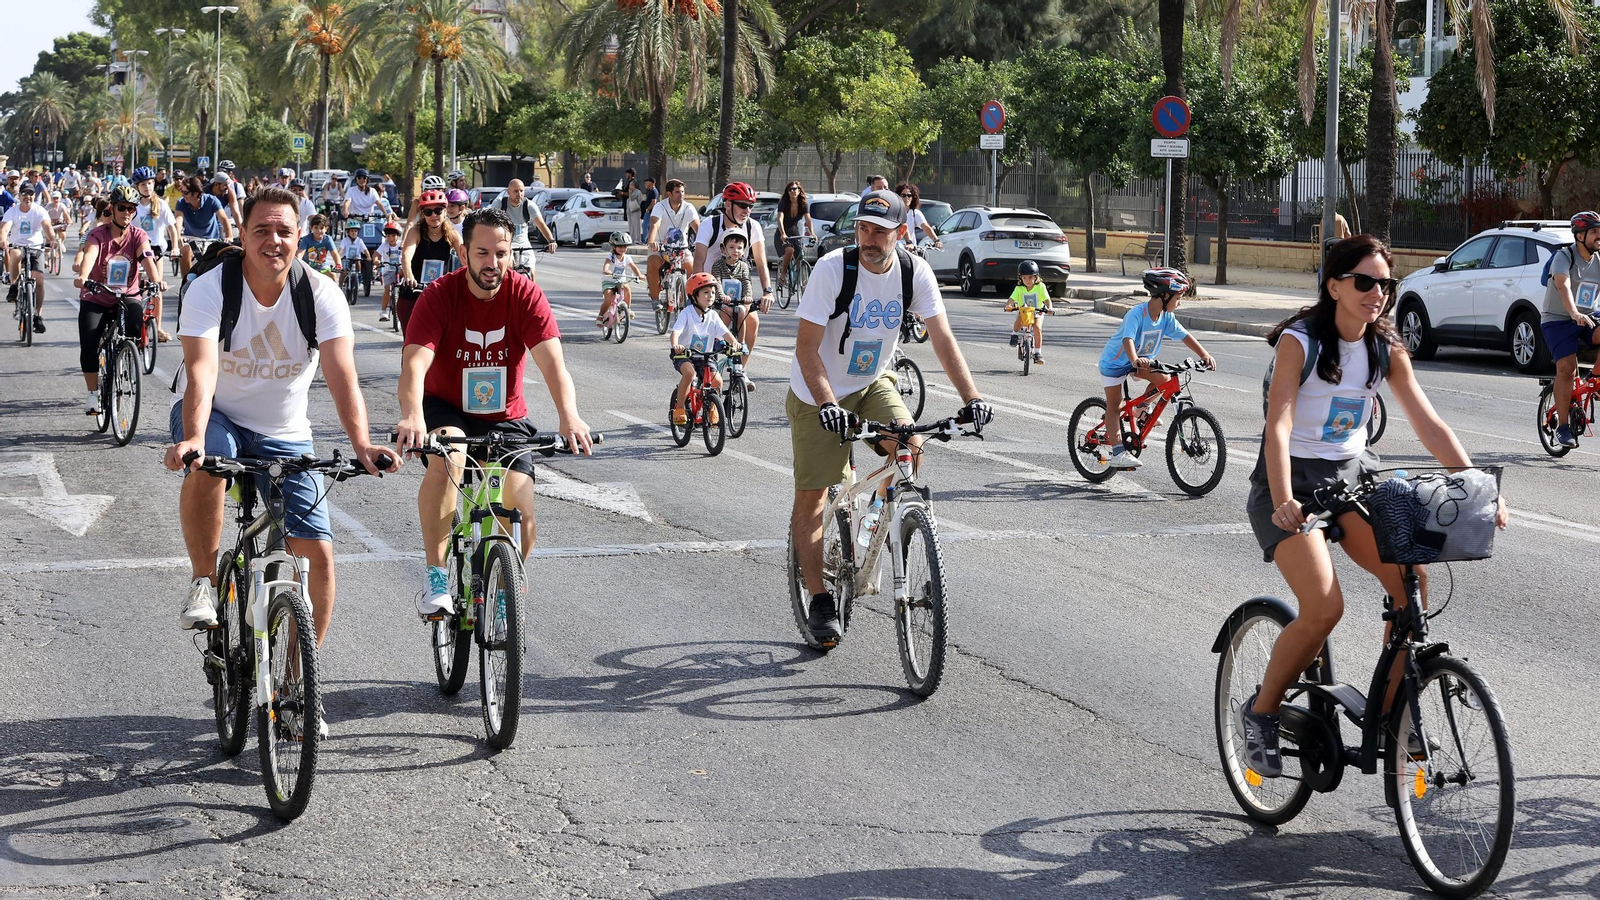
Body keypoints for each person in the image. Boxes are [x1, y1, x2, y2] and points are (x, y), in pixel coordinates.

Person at [1238, 234, 1508, 779]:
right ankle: (1261, 714)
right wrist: (1286, 498)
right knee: (1323, 608)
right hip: (1290, 481)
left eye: (1385, 283)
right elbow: (1280, 424)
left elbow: (1428, 421)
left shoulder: (1385, 346)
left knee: (1412, 582)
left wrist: (1478, 484)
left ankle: (1390, 716)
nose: (1377, 292)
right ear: (1335, 285)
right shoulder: (1300, 341)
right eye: (1364, 282)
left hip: (1353, 477)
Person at [165, 185, 394, 661]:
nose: (274, 240)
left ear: (298, 238)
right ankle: (204, 581)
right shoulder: (211, 288)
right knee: (210, 459)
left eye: (284, 231)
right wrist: (191, 437)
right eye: (262, 230)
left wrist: (363, 445)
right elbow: (201, 371)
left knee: (320, 557)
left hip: (286, 434)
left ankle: (296, 681)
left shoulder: (320, 293)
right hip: (218, 415)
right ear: (243, 236)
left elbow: (342, 375)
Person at [789, 190, 992, 641]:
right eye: (863, 228)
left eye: (880, 231)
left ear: (902, 233)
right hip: (817, 392)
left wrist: (972, 398)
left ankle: (874, 517)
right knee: (814, 497)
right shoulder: (832, 270)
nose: (869, 239)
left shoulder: (912, 272)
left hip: (872, 383)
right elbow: (806, 349)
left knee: (910, 446)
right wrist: (827, 406)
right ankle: (820, 599)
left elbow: (942, 339)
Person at [394, 206, 593, 616]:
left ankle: (506, 586)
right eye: (482, 253)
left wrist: (569, 415)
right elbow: (414, 363)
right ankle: (435, 576)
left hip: (505, 414)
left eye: (501, 253)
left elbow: (554, 365)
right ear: (463, 253)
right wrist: (413, 415)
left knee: (521, 507)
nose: (493, 263)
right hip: (445, 405)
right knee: (451, 452)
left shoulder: (525, 294)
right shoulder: (438, 296)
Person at [1095, 268, 1217, 469]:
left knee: (1165, 379)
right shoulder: (1137, 314)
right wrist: (1134, 359)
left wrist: (1204, 355)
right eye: (1178, 298)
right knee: (1115, 406)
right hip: (1115, 364)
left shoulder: (1165, 317)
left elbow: (1185, 335)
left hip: (1141, 362)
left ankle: (1142, 408)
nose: (1179, 302)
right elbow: (1128, 339)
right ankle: (1117, 452)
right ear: (1164, 295)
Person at [73, 184, 168, 413]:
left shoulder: (138, 235)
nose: (127, 213)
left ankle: (125, 359)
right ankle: (93, 395)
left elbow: (147, 257)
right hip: (96, 295)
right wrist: (84, 276)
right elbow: (90, 255)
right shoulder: (98, 235)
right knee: (89, 344)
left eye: (131, 209)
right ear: (113, 209)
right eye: (122, 208)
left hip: (127, 295)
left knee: (135, 330)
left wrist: (156, 280)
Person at [1541, 211, 1600, 448]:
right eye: (1594, 232)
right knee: (1566, 369)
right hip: (1557, 320)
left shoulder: (1598, 261)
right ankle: (1562, 427)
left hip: (1588, 318)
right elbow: (1563, 286)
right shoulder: (1564, 257)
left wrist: (1583, 316)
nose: (1599, 237)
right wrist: (1574, 313)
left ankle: (1595, 377)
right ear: (1580, 235)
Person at [670, 272, 742, 426]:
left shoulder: (713, 316)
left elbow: (725, 333)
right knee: (690, 373)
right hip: (684, 354)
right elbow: (676, 332)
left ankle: (712, 408)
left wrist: (735, 343)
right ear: (694, 296)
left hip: (705, 356)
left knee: (717, 382)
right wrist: (676, 345)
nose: (711, 296)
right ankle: (680, 407)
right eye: (706, 293)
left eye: (713, 293)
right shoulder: (687, 313)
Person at [397, 189, 464, 332]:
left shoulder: (452, 234)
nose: (434, 215)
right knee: (411, 344)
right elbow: (406, 255)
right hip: (413, 294)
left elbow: (466, 259)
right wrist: (409, 276)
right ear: (423, 215)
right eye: (428, 212)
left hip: (441, 295)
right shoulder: (416, 231)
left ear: (445, 211)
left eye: (438, 211)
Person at [2, 184, 60, 333]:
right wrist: (3, 239)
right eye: (24, 193)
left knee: (39, 280)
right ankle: (14, 286)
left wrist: (52, 238)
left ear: (34, 196)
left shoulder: (39, 210)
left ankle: (38, 316)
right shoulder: (12, 211)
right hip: (18, 245)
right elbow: (5, 228)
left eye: (31, 194)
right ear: (19, 196)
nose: (27, 196)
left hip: (36, 248)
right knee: (15, 254)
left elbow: (47, 226)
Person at [132, 167, 179, 341]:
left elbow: (172, 228)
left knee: (156, 287)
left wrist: (175, 247)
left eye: (150, 183)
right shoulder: (132, 205)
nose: (147, 187)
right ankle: (132, 322)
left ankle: (158, 328)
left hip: (156, 250)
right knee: (133, 289)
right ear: (137, 186)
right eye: (143, 184)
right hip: (136, 250)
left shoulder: (160, 204)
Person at [645, 178, 700, 305]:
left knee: (691, 267)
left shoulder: (688, 207)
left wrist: (704, 242)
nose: (681, 195)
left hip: (681, 248)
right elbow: (654, 224)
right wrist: (652, 241)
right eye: (677, 192)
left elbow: (697, 227)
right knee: (653, 262)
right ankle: (655, 299)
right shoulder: (660, 206)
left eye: (682, 192)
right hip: (660, 246)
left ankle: (685, 301)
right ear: (669, 194)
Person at [710, 231, 758, 376]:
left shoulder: (743, 266)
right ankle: (720, 338)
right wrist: (721, 295)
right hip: (723, 302)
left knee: (742, 311)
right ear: (723, 249)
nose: (735, 251)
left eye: (739, 248)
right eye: (731, 247)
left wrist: (748, 296)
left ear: (743, 250)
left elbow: (746, 282)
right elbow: (716, 281)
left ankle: (740, 343)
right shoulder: (718, 265)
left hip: (738, 301)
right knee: (727, 311)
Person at [492, 179, 558, 274]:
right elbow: (489, 225)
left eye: (521, 191)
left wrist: (551, 241)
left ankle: (531, 288)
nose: (519, 194)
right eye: (515, 191)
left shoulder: (529, 205)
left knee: (531, 271)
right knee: (508, 268)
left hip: (523, 244)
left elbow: (541, 225)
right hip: (505, 244)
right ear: (508, 192)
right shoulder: (499, 204)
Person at [175, 176, 233, 280]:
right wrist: (178, 236)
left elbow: (224, 219)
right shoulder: (181, 203)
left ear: (196, 193)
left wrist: (229, 236)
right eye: (182, 191)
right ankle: (186, 283)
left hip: (211, 240)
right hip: (191, 239)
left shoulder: (211, 200)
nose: (183, 195)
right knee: (185, 250)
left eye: (186, 192)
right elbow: (178, 220)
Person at [1005, 260, 1053, 364]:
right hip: (1024, 311)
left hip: (1037, 311)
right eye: (1024, 277)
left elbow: (1047, 300)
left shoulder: (1040, 287)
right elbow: (1012, 299)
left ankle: (1037, 353)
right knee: (1019, 319)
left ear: (1036, 277)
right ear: (1020, 278)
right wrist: (1009, 305)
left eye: (1030, 277)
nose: (1027, 280)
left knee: (1037, 328)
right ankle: (1014, 334)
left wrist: (1049, 308)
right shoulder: (1019, 288)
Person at [598, 231, 642, 328]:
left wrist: (639, 275)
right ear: (614, 247)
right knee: (609, 298)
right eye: (620, 246)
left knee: (627, 289)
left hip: (620, 280)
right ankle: (601, 315)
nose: (623, 249)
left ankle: (628, 308)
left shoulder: (627, 257)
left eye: (625, 247)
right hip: (609, 281)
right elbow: (606, 266)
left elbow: (634, 267)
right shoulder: (611, 257)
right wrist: (607, 270)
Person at [775, 181, 813, 280]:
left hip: (794, 231)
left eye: (794, 189)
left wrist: (812, 233)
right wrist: (782, 233)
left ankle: (802, 281)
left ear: (799, 190)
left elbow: (808, 219)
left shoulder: (803, 204)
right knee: (789, 250)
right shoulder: (783, 203)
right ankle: (783, 274)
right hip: (782, 232)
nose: (792, 191)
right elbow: (780, 219)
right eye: (790, 189)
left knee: (800, 255)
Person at [895, 183, 942, 251]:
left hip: (911, 250)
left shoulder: (915, 213)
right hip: (895, 249)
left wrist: (936, 240)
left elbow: (925, 227)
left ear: (912, 198)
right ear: (898, 196)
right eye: (903, 195)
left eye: (909, 195)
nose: (906, 198)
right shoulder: (894, 212)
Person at [376, 222, 404, 322]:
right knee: (388, 288)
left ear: (398, 236)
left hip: (401, 270)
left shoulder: (402, 244)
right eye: (388, 236)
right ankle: (383, 311)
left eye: (393, 235)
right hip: (388, 270)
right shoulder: (384, 245)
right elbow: (376, 254)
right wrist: (376, 260)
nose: (390, 238)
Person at [336, 221, 370, 285]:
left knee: (358, 262)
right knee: (344, 271)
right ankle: (340, 286)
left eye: (355, 231)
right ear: (348, 232)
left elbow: (365, 250)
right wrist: (338, 256)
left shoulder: (359, 240)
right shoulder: (345, 240)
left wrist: (368, 257)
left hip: (356, 258)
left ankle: (358, 275)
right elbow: (341, 249)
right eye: (351, 231)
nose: (354, 233)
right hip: (346, 258)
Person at [638, 176, 659, 245]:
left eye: (647, 182)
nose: (646, 184)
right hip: (649, 211)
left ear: (652, 183)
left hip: (650, 212)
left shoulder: (654, 191)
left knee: (645, 225)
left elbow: (654, 202)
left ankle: (645, 239)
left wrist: (648, 209)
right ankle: (646, 239)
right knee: (647, 225)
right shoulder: (650, 191)